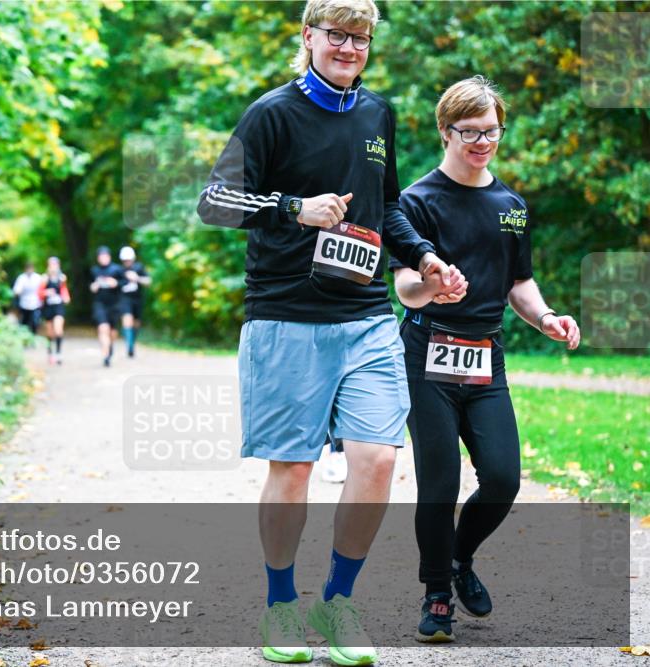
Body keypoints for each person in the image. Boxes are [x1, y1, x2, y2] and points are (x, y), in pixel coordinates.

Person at [196, 0, 463, 663]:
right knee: (293, 469)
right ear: (309, 37)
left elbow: (390, 204)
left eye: (361, 38)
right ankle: (280, 605)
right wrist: (295, 209)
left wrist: (422, 256)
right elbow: (214, 201)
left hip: (367, 314)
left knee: (376, 458)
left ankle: (337, 599)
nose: (349, 47)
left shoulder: (379, 114)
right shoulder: (272, 114)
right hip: (286, 316)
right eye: (337, 35)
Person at [390, 76, 580, 643]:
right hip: (427, 350)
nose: (481, 142)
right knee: (439, 481)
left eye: (491, 131)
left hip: (485, 357)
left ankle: (459, 557)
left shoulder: (512, 206)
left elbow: (520, 282)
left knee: (502, 477)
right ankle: (437, 595)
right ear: (445, 131)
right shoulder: (415, 201)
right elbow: (403, 285)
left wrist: (545, 317)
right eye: (469, 131)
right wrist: (432, 285)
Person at [89, 246, 125, 367]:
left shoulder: (117, 269)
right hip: (100, 304)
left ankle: (110, 348)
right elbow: (91, 285)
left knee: (112, 332)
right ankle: (105, 355)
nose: (103, 258)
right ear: (98, 258)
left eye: (105, 256)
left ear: (109, 256)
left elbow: (125, 283)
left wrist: (116, 283)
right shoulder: (94, 270)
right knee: (103, 328)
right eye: (100, 256)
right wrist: (93, 287)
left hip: (114, 304)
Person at [118, 246, 151, 358]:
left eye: (129, 259)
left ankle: (132, 342)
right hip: (124, 300)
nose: (127, 262)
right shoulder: (119, 271)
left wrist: (137, 278)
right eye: (125, 260)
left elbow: (148, 281)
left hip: (137, 300)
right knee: (127, 321)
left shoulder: (139, 268)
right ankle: (130, 346)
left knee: (136, 324)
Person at [40, 256, 71, 365]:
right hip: (48, 307)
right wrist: (46, 293)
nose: (53, 267)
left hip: (58, 306)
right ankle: (50, 352)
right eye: (51, 265)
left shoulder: (62, 278)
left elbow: (64, 290)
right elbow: (39, 293)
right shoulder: (44, 278)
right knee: (50, 333)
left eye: (55, 265)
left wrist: (66, 297)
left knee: (58, 329)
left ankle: (58, 353)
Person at [12, 262, 43, 337]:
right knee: (24, 322)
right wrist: (18, 292)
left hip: (35, 303)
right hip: (24, 304)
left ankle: (33, 336)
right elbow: (16, 290)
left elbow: (42, 289)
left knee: (35, 321)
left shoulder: (38, 277)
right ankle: (25, 337)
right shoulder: (21, 278)